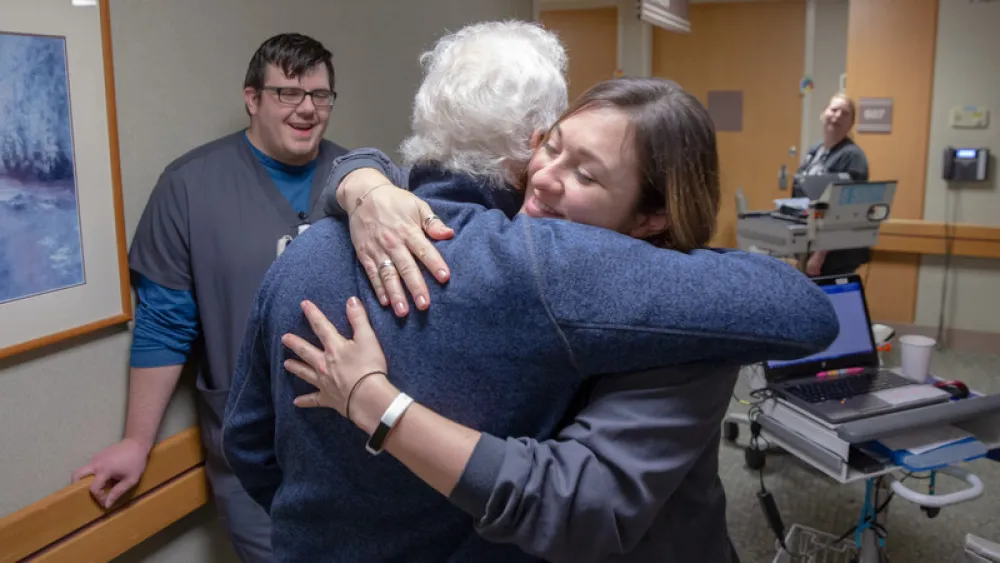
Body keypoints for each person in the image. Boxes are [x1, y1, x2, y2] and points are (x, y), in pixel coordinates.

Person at [222, 21, 838, 563]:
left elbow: (249, 442)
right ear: (531, 138)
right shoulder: (543, 264)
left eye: (585, 170)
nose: (547, 175)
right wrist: (362, 180)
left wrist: (360, 179)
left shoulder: (301, 253)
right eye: (553, 146)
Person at [71, 33, 347, 562]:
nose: (307, 108)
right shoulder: (190, 186)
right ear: (252, 98)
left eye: (320, 95)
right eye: (288, 92)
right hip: (252, 452)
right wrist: (136, 442)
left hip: (355, 443)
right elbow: (164, 325)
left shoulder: (357, 179)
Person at [794, 92, 871, 277]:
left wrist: (819, 256)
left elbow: (845, 210)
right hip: (808, 240)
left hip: (833, 252)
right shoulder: (815, 151)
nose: (837, 116)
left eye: (844, 113)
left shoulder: (853, 157)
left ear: (851, 123)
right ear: (823, 113)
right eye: (833, 109)